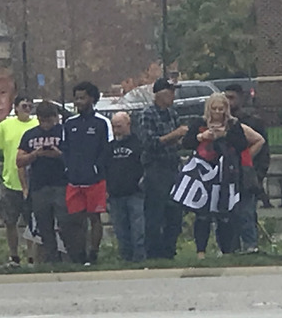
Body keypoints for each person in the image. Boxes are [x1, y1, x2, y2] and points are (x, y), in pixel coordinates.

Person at [182, 93, 251, 258]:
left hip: (226, 173)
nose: (218, 112)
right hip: (203, 174)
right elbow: (186, 142)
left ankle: (226, 250)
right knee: (203, 215)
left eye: (221, 109)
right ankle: (201, 251)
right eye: (214, 109)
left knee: (225, 214)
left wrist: (224, 135)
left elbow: (242, 144)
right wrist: (201, 137)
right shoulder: (200, 123)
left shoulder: (233, 124)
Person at [62, 82, 112, 264]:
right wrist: (68, 168)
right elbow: (65, 149)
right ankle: (79, 254)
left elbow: (107, 150)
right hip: (74, 180)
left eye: (82, 98)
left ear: (92, 99)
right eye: (76, 98)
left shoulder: (101, 123)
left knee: (94, 217)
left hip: (95, 180)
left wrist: (98, 169)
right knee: (76, 218)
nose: (78, 102)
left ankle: (94, 254)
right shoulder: (69, 124)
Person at [137, 77, 188, 259]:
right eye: (171, 91)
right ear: (160, 93)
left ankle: (169, 250)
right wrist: (174, 135)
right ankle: (153, 253)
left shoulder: (173, 114)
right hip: (155, 169)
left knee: (174, 213)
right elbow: (149, 143)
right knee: (155, 213)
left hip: (173, 166)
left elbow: (177, 142)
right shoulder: (147, 114)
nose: (174, 95)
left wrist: (180, 139)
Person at [0, 95, 38, 267]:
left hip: (33, 183)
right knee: (10, 222)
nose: (27, 108)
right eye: (24, 105)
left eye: (30, 105)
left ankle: (32, 258)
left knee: (32, 224)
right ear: (15, 108)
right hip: (11, 182)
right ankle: (14, 256)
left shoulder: (37, 125)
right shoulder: (6, 125)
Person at [17, 100, 68, 264]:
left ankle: (70, 257)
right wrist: (35, 154)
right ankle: (51, 258)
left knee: (66, 222)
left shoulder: (65, 132)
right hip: (39, 186)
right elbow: (19, 160)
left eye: (49, 120)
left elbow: (75, 158)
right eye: (42, 120)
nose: (45, 124)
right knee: (44, 224)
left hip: (62, 184)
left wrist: (59, 155)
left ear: (55, 117)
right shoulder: (30, 135)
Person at [225, 83, 273, 210]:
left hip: (247, 177)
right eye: (226, 98)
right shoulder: (220, 123)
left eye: (232, 98)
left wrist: (257, 175)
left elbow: (264, 152)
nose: (228, 103)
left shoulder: (253, 122)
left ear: (240, 98)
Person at [107, 112, 146, 262]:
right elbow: (105, 168)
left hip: (135, 193)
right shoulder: (109, 147)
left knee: (138, 229)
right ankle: (125, 258)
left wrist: (141, 182)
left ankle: (140, 258)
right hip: (115, 194)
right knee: (120, 230)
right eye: (114, 126)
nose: (117, 130)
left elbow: (144, 165)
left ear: (128, 125)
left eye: (119, 126)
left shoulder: (138, 144)